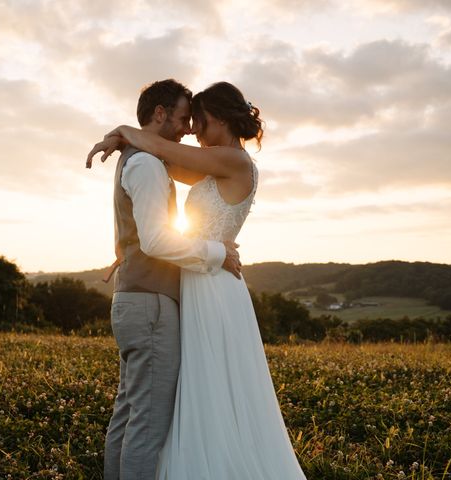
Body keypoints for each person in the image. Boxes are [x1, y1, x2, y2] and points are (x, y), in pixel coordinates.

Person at [87, 81, 307, 479]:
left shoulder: (235, 162)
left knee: (209, 390)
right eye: (189, 121)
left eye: (200, 122)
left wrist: (122, 131)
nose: (194, 131)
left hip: (215, 284)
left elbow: (164, 151)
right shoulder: (209, 165)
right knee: (176, 397)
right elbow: (157, 161)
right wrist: (120, 137)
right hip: (196, 279)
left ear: (221, 118)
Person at [89, 79, 243, 480]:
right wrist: (217, 252)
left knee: (128, 413)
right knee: (147, 423)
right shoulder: (145, 164)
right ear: (160, 114)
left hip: (137, 299)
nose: (187, 128)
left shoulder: (139, 158)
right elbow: (157, 239)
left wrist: (121, 133)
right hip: (151, 305)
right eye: (181, 117)